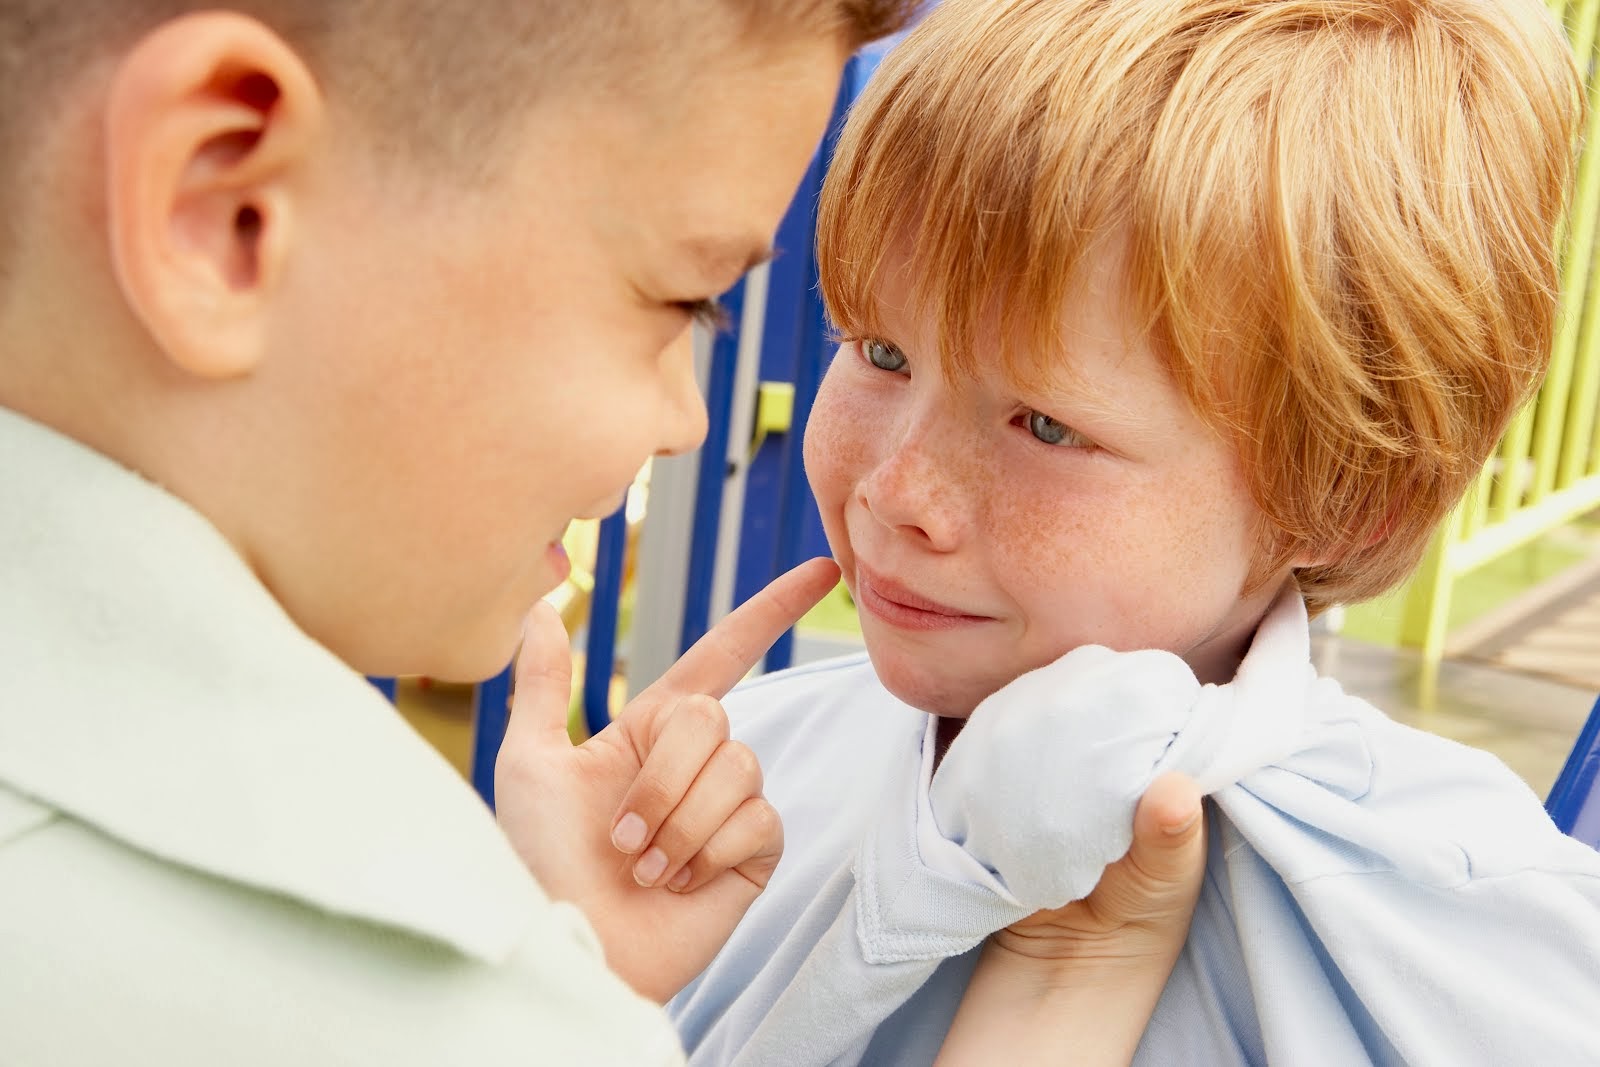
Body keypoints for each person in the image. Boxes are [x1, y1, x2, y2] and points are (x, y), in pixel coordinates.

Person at [0, 1, 1212, 1063]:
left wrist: (562, 953)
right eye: (679, 299)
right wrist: (1064, 982)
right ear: (226, 209)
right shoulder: (389, 1006)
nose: (686, 416)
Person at [668, 0, 1600, 1063]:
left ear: (1345, 495)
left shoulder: (1478, 951)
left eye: (1049, 424)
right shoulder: (743, 771)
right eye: (879, 351)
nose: (895, 489)